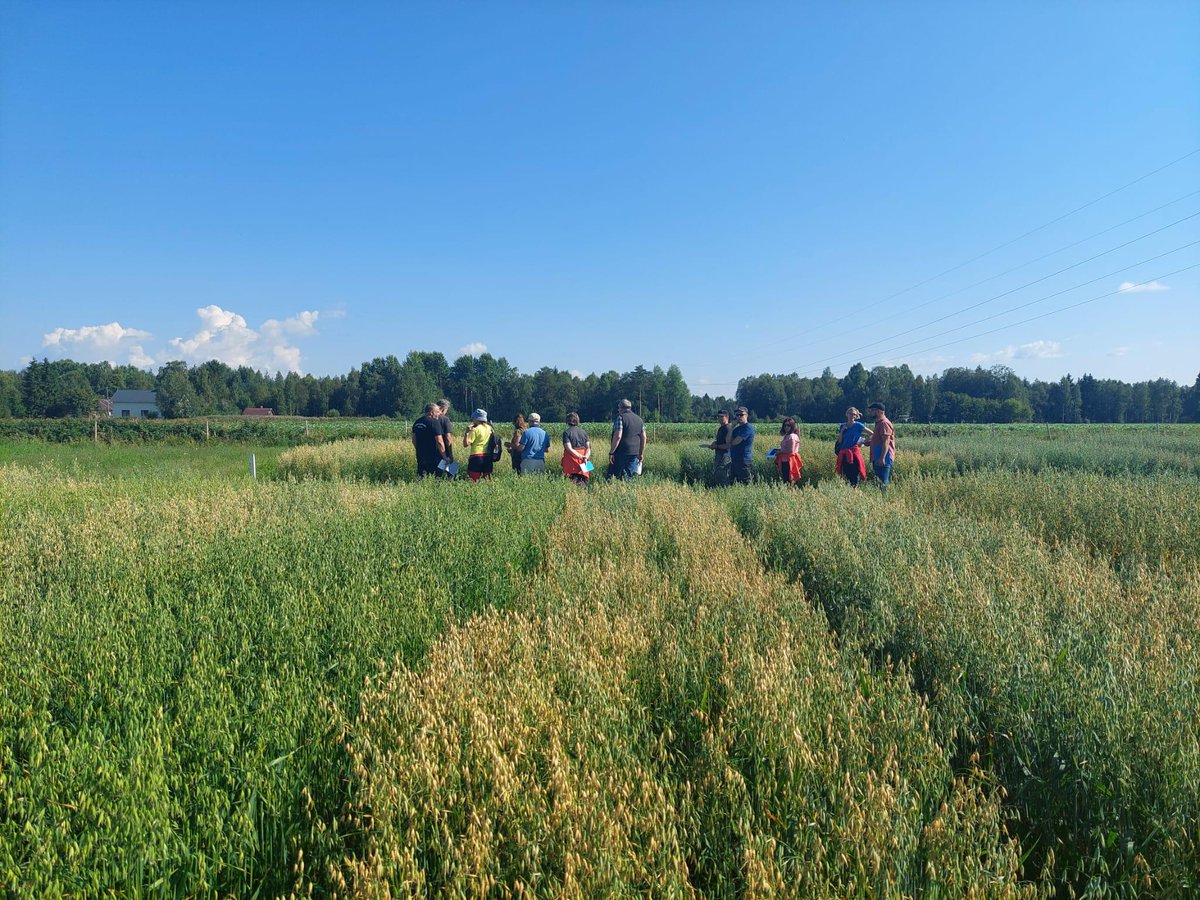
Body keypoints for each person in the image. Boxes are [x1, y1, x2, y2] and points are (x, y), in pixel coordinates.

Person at [608, 399, 646, 480]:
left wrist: (611, 452)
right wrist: (641, 453)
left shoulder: (620, 418)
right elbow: (644, 437)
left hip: (622, 451)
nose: (618, 410)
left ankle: (615, 489)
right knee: (629, 475)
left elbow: (618, 436)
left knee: (615, 475)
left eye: (618, 408)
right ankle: (628, 488)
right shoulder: (639, 419)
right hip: (635, 452)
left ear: (621, 408)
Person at [411, 402, 450, 478]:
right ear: (431, 412)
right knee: (434, 477)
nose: (439, 414)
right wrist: (445, 456)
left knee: (421, 475)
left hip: (420, 455)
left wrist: (419, 449)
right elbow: (439, 441)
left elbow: (413, 439)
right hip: (433, 456)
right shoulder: (434, 423)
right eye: (437, 412)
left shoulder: (417, 422)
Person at [834, 407, 870, 487]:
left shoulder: (858, 425)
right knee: (845, 474)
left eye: (854, 414)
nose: (852, 416)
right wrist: (842, 431)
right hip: (844, 453)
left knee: (854, 474)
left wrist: (864, 441)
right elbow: (840, 441)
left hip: (854, 453)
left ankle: (855, 489)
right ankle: (849, 491)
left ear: (856, 416)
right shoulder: (843, 426)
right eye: (850, 413)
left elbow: (872, 433)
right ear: (847, 415)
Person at [867, 402, 896, 493]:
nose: (871, 412)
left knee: (883, 482)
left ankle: (884, 501)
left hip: (883, 457)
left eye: (872, 410)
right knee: (879, 481)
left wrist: (882, 458)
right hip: (878, 456)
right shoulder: (879, 423)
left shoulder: (884, 423)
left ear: (879, 411)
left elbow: (886, 441)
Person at [463, 409, 495, 482]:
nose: (472, 420)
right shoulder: (490, 428)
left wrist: (466, 433)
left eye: (473, 418)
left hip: (476, 456)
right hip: (487, 456)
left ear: (477, 419)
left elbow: (465, 444)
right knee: (487, 479)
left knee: (473, 480)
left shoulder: (475, 430)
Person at [561, 412, 592, 485]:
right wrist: (585, 457)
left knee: (572, 482)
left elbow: (568, 448)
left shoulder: (566, 433)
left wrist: (580, 456)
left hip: (572, 460)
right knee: (585, 481)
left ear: (567, 421)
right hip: (585, 460)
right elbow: (588, 447)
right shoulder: (584, 432)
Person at [706, 409, 733, 486]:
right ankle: (719, 490)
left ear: (727, 417)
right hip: (719, 454)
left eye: (722, 417)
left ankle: (725, 491)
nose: (719, 418)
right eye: (718, 417)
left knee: (723, 475)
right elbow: (720, 441)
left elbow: (729, 445)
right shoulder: (721, 428)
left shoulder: (728, 428)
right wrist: (714, 443)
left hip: (725, 455)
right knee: (718, 474)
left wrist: (716, 446)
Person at [729, 406, 755, 484]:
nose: (739, 417)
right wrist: (732, 427)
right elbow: (727, 440)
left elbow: (735, 442)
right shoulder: (736, 429)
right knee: (733, 482)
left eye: (741, 415)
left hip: (744, 460)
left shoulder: (748, 428)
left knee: (745, 482)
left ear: (746, 415)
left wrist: (731, 441)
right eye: (737, 415)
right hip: (735, 459)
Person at [774, 416, 803, 486]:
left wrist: (779, 452)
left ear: (792, 426)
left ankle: (791, 494)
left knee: (789, 481)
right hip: (785, 460)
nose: (786, 427)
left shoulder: (792, 436)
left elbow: (791, 450)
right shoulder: (788, 435)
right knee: (787, 480)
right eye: (785, 425)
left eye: (788, 425)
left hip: (790, 461)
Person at [436, 400, 455, 465]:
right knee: (446, 471)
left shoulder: (429, 418)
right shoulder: (445, 419)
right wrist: (450, 454)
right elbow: (448, 438)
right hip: (443, 450)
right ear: (443, 409)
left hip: (429, 451)